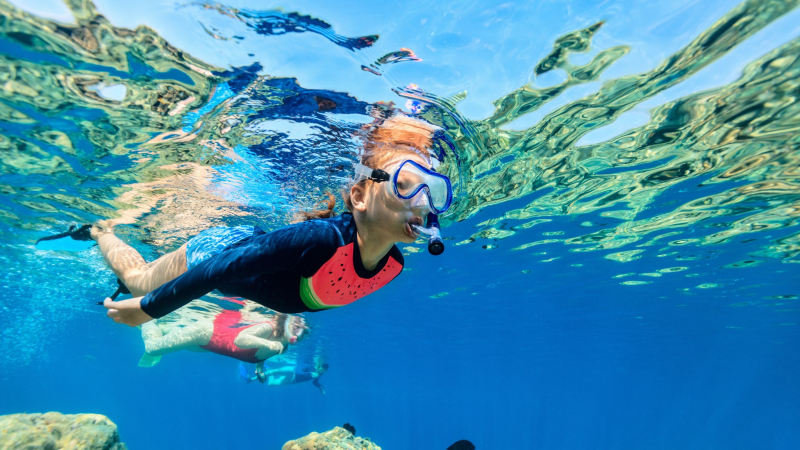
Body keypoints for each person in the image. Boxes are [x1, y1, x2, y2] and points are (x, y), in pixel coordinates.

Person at [86, 111, 454, 326]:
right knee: (138, 282)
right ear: (359, 196)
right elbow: (222, 267)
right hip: (216, 251)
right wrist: (151, 309)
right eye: (404, 185)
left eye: (432, 190)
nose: (422, 202)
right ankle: (100, 231)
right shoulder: (321, 239)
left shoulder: (393, 266)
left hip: (247, 265)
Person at [136, 298, 307, 374]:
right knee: (152, 348)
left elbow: (263, 354)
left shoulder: (283, 346)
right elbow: (240, 340)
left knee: (173, 336)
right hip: (204, 333)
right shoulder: (268, 327)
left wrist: (259, 370)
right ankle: (147, 320)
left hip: (208, 346)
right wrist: (268, 344)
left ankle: (163, 328)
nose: (301, 332)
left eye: (305, 331)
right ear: (287, 324)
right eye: (298, 327)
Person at [239, 357, 329, 394]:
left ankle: (268, 370)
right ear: (319, 366)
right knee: (275, 371)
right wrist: (309, 374)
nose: (321, 372)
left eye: (323, 372)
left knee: (271, 384)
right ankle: (251, 379)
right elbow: (299, 371)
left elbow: (315, 382)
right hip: (292, 371)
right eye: (321, 369)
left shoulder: (319, 373)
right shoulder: (310, 365)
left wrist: (321, 387)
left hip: (293, 380)